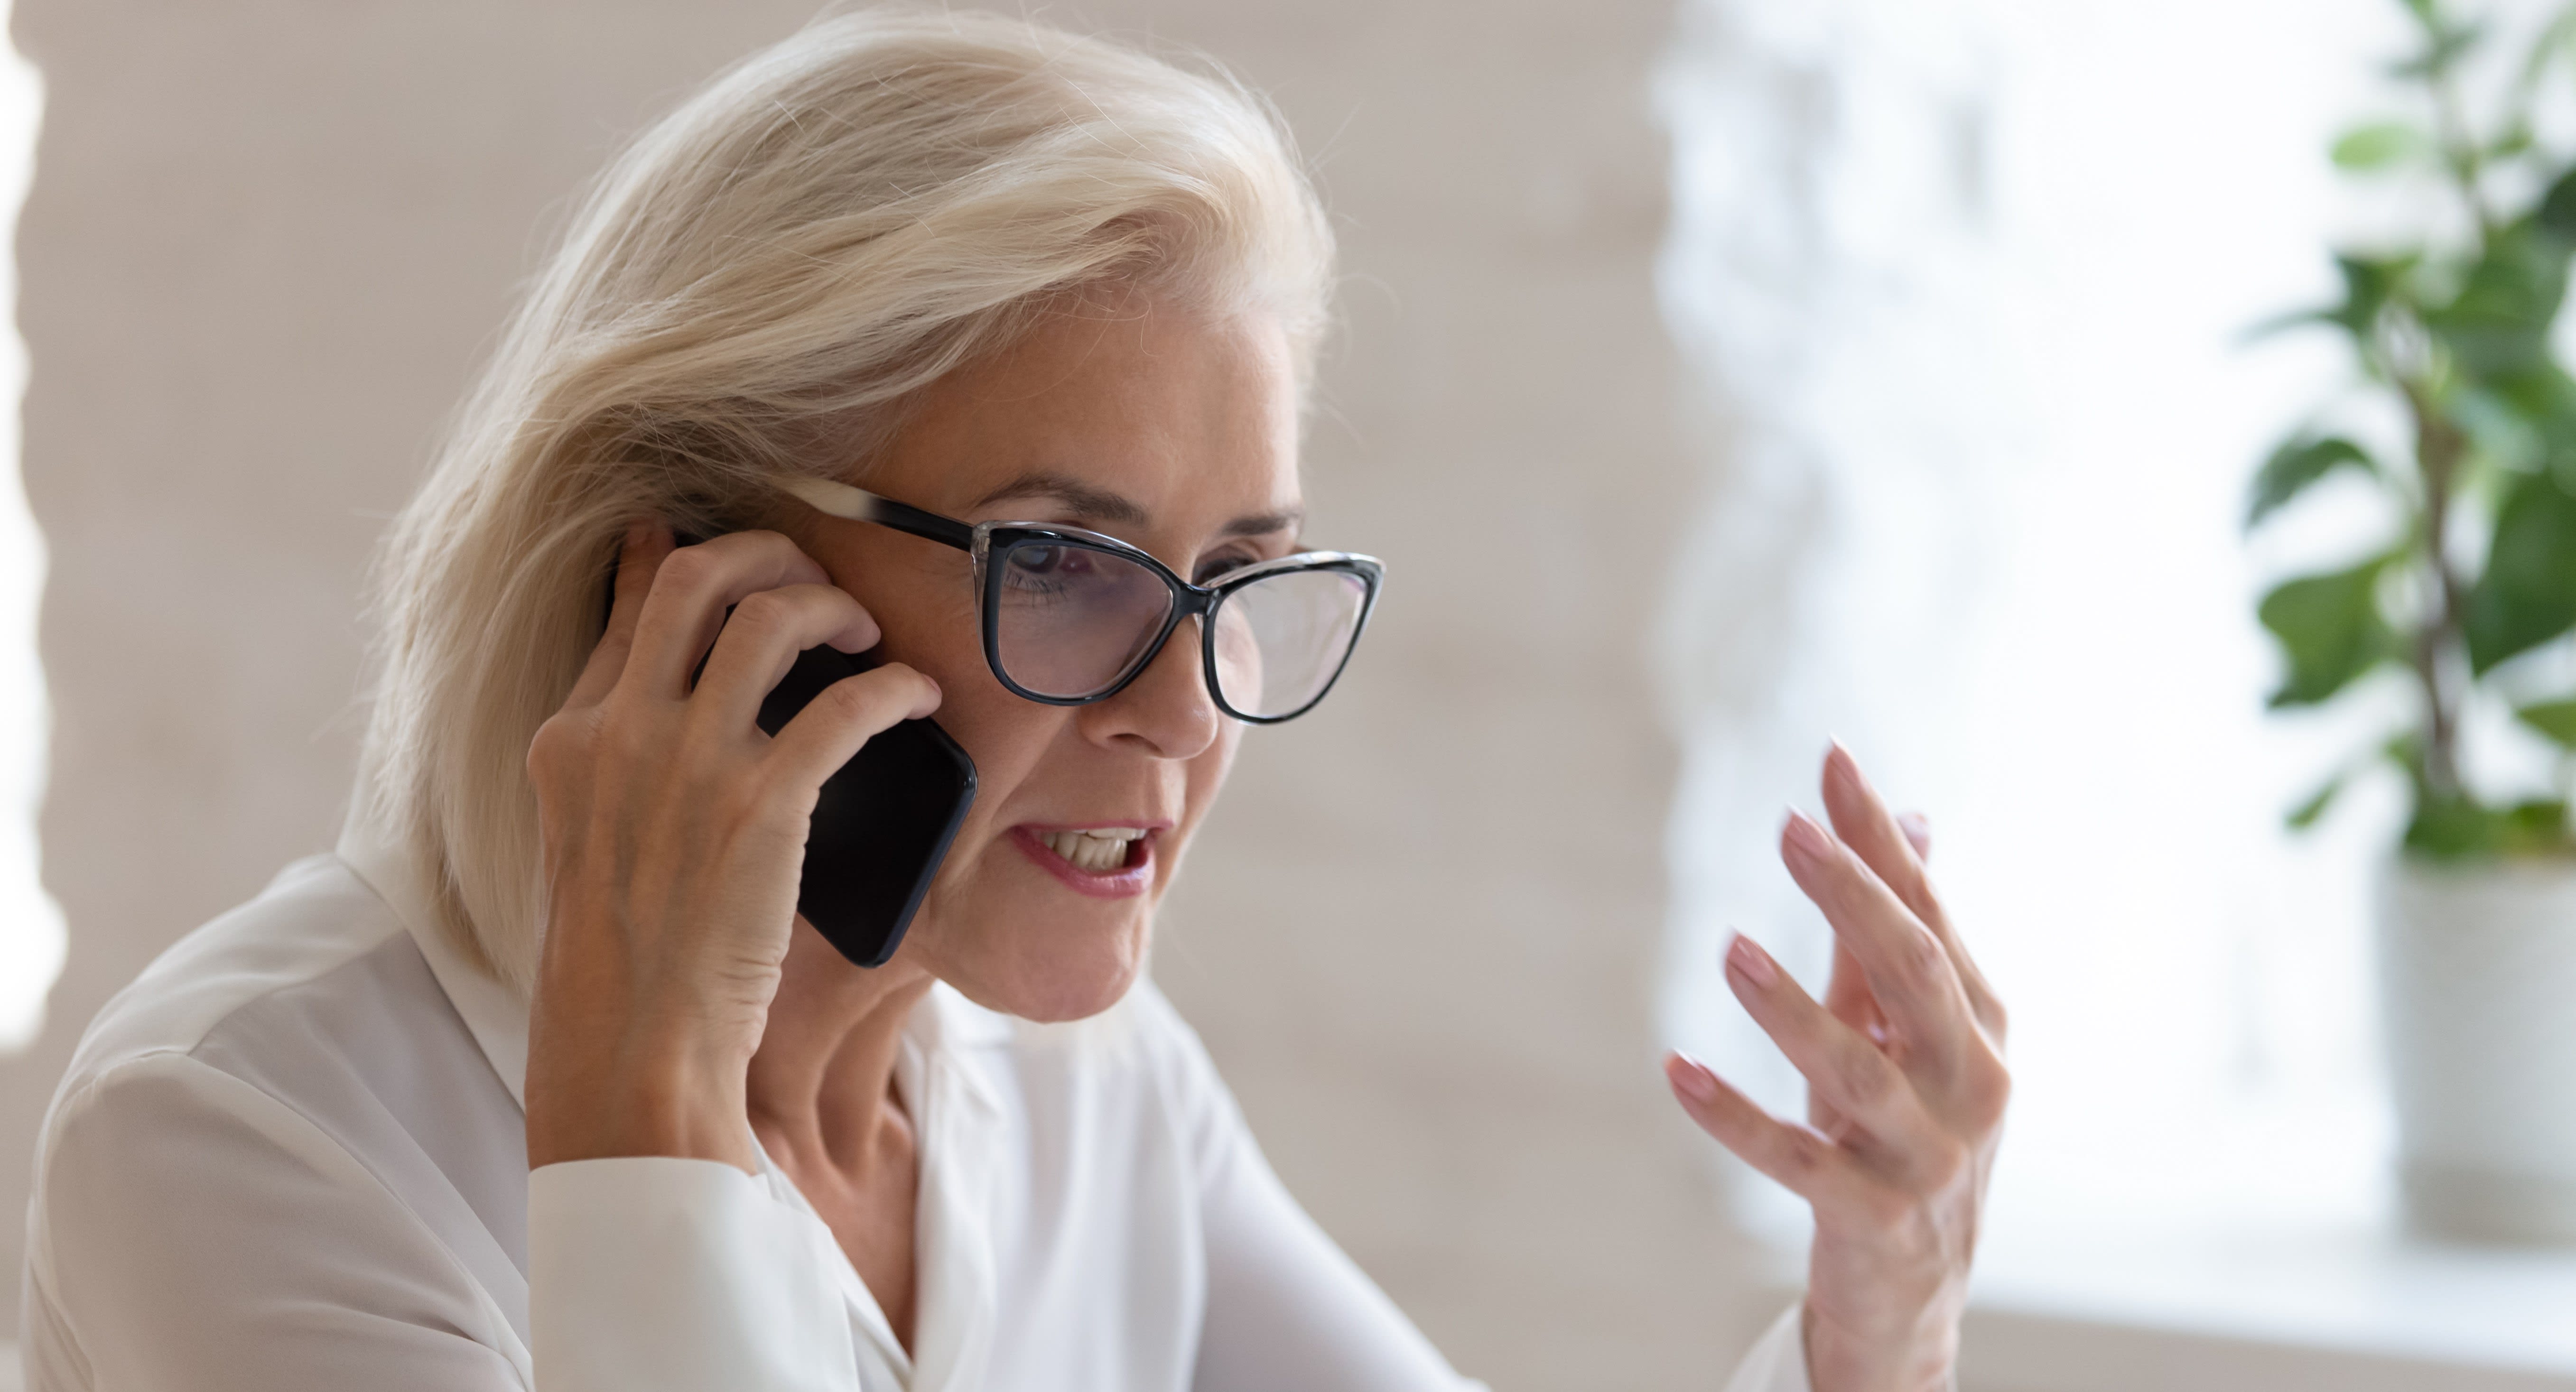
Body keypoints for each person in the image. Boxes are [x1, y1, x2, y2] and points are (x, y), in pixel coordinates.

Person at [19, 9, 2009, 1391]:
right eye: (1062, 562)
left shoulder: (1083, 1100)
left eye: (1236, 578)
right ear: (698, 572)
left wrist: (1878, 1328)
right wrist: (644, 1125)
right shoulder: (251, 1131)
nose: (1183, 717)